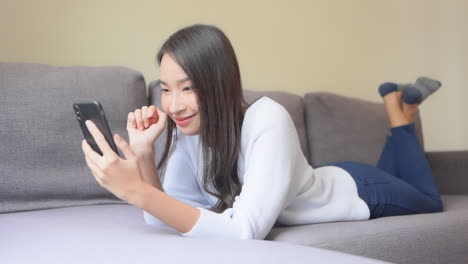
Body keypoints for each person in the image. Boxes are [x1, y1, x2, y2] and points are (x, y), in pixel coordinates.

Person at [81, 24, 443, 240]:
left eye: (188, 88)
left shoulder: (268, 117)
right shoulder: (188, 127)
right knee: (399, 175)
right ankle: (401, 109)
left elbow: (245, 231)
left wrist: (136, 191)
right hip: (333, 175)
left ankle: (399, 115)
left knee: (428, 200)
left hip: (359, 190)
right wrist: (144, 154)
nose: (174, 105)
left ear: (220, 83)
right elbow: (162, 215)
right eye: (166, 88)